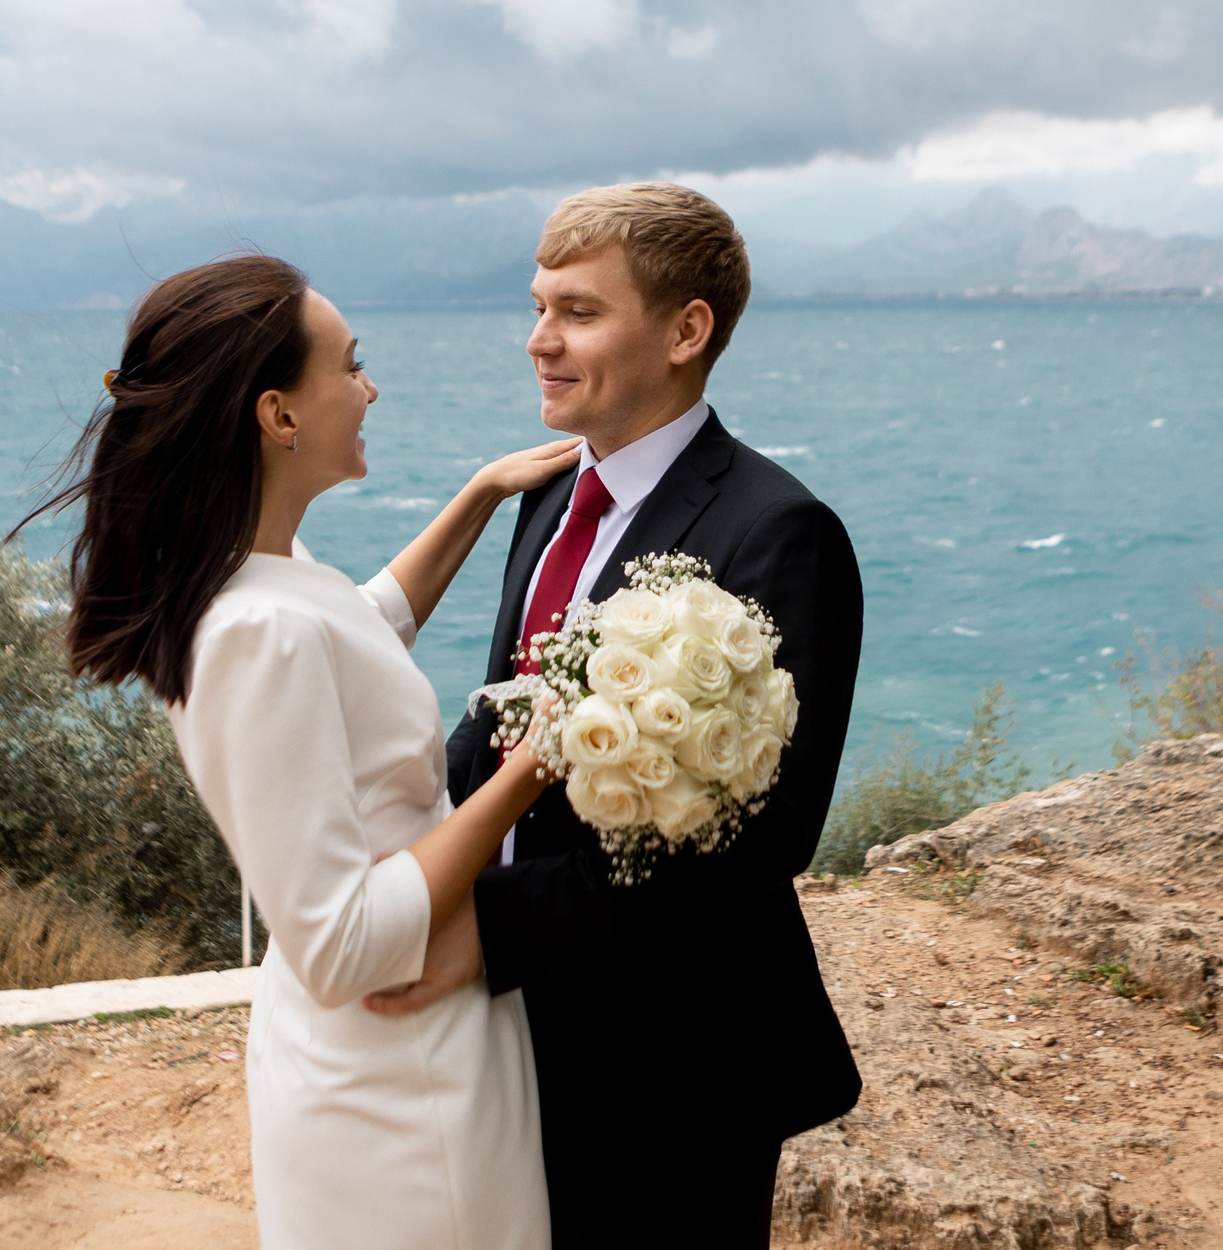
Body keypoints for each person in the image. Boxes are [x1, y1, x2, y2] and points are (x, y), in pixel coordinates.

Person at [47, 253, 579, 1250]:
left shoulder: (257, 573)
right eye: (350, 364)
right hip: (397, 1089)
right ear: (278, 415)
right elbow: (341, 945)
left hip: (397, 1060)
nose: (370, 388)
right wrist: (534, 766)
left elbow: (359, 631)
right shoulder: (255, 632)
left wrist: (479, 495)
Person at [369, 182, 865, 1250]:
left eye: (579, 312)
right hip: (516, 1038)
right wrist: (401, 865)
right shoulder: (548, 495)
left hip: (675, 1070)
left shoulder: (780, 531)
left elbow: (766, 836)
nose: (539, 341)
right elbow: (502, 721)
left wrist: (487, 933)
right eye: (538, 308)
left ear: (687, 332)